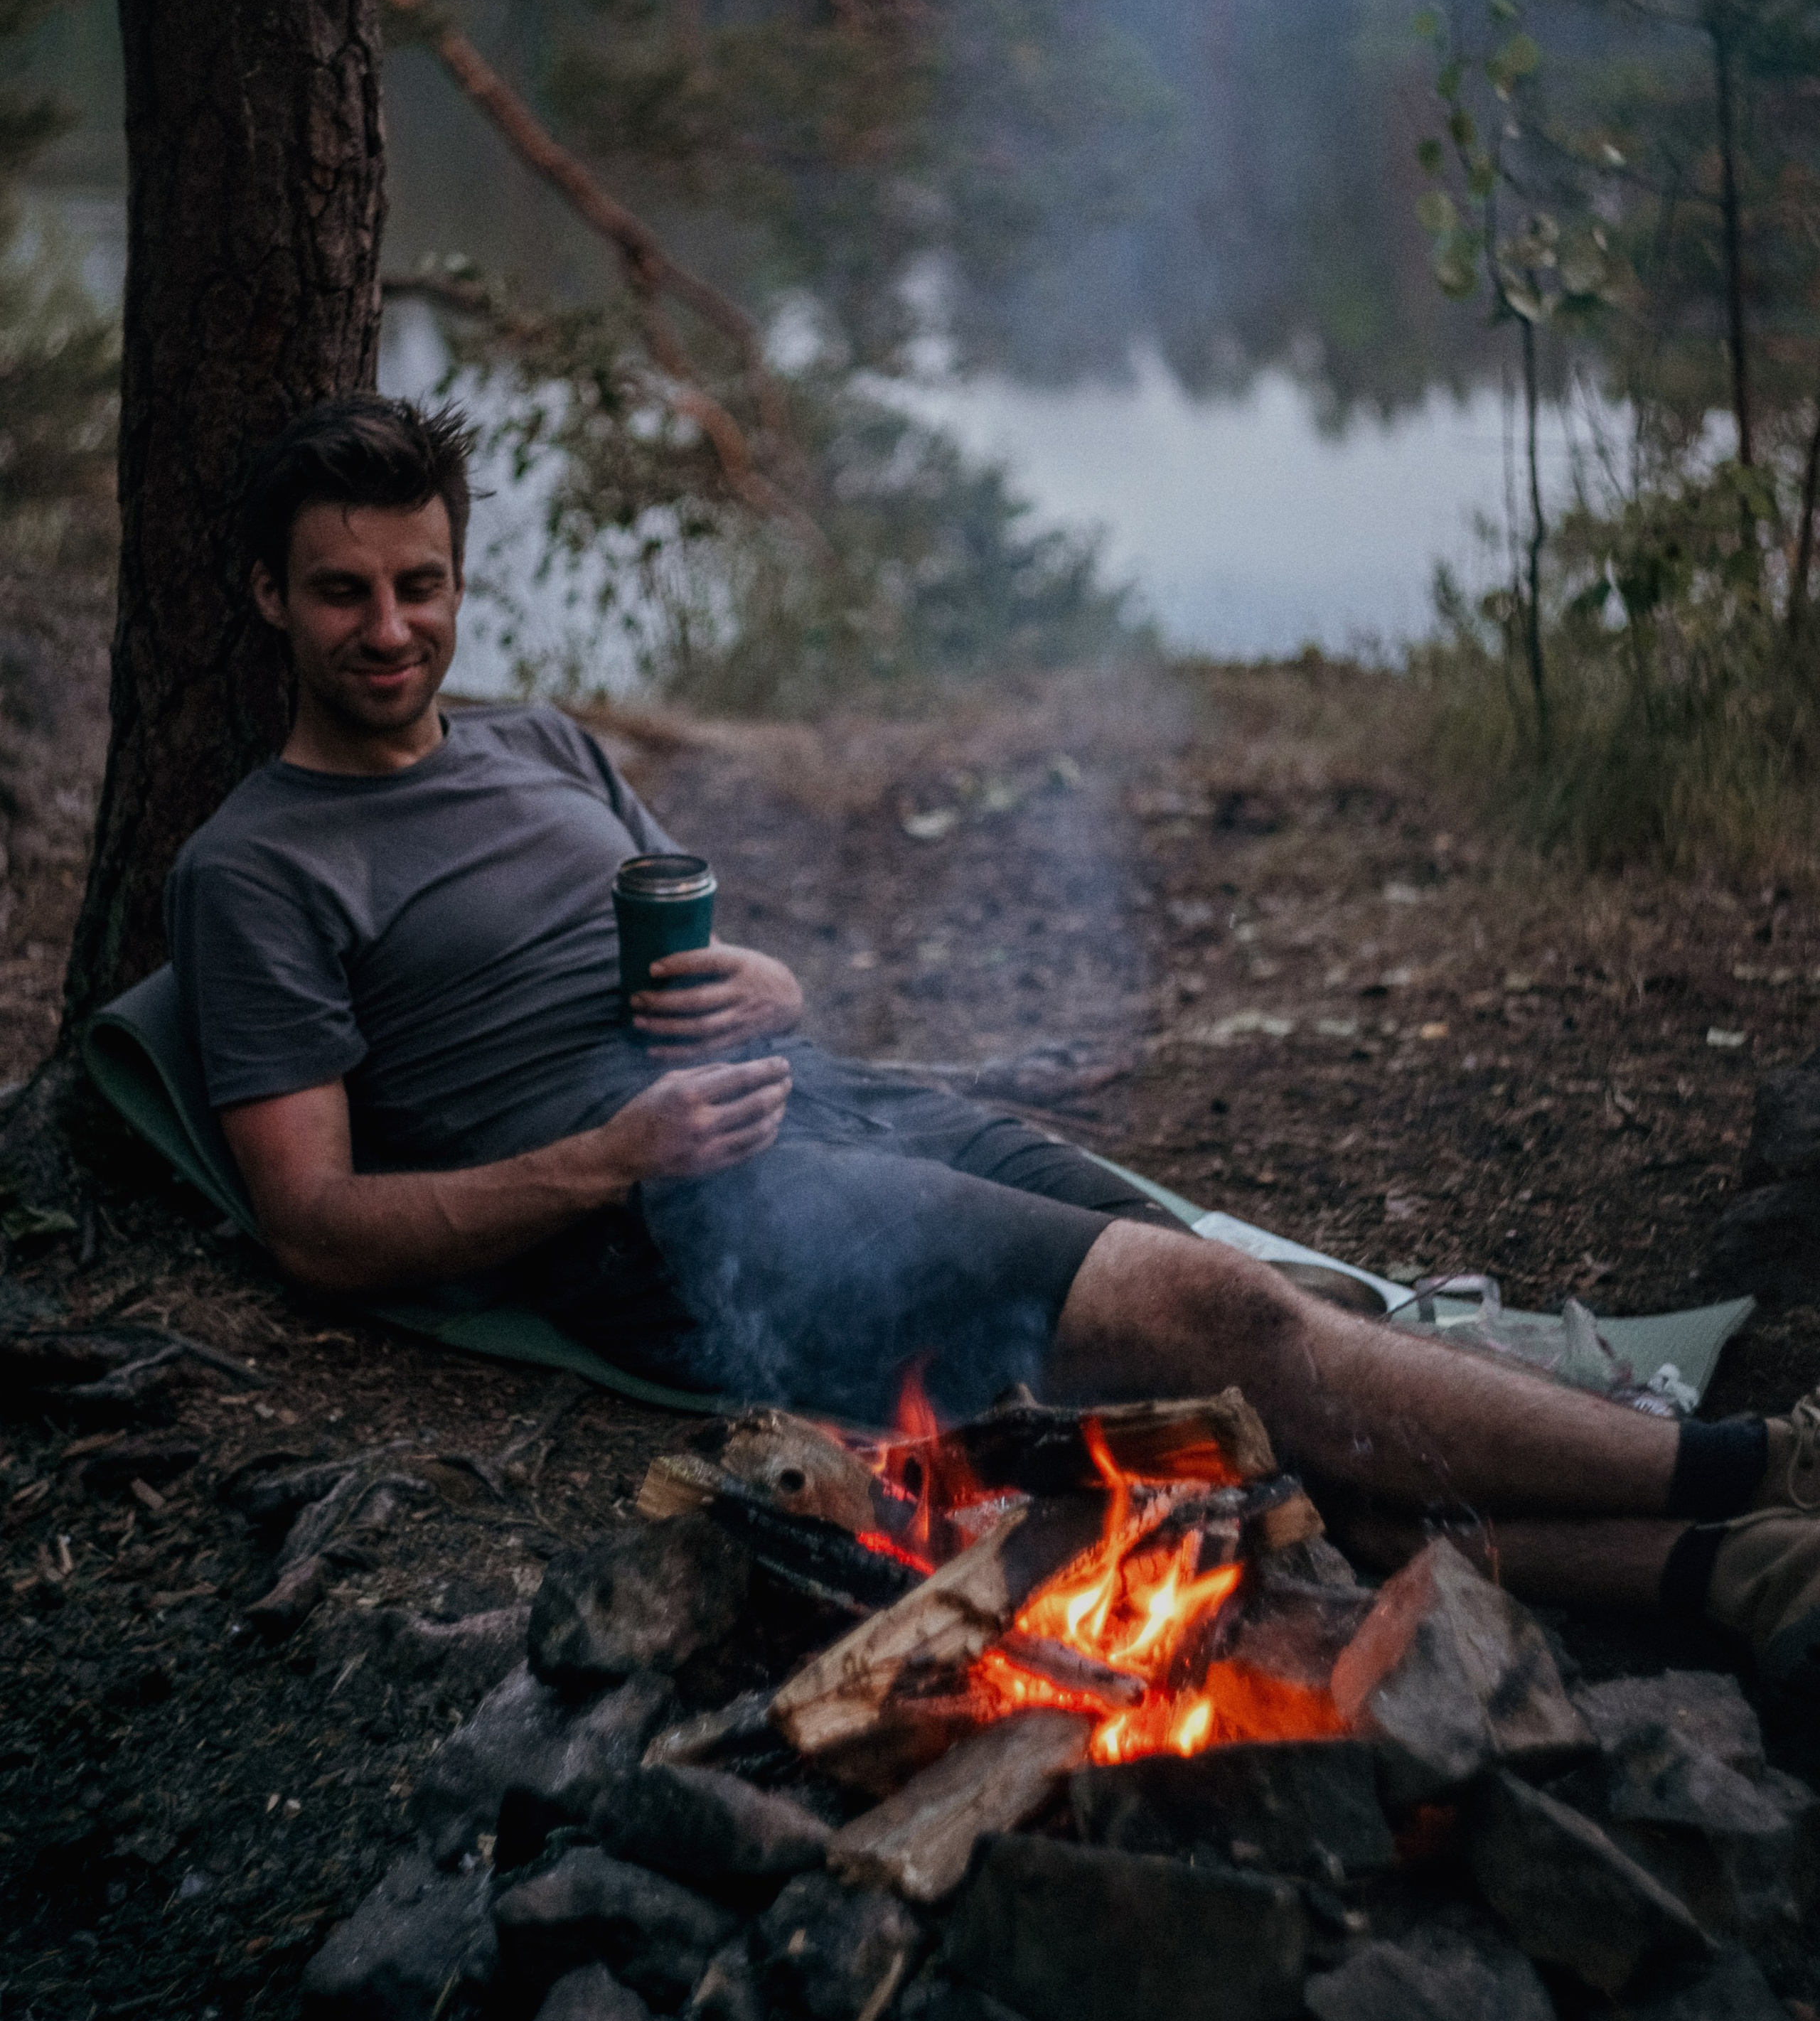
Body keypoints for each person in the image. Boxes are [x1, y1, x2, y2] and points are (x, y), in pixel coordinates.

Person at [166, 396, 1820, 1696]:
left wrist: (770, 987)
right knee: (1224, 1317)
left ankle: (1727, 1573)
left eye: (420, 584)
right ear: (267, 596)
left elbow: (714, 952)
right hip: (686, 1225)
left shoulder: (543, 742)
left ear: (458, 578)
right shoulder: (258, 868)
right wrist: (607, 1160)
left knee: (1256, 1370)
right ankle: (1748, 1470)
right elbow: (315, 1226)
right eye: (343, 592)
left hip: (835, 1112)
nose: (390, 626)